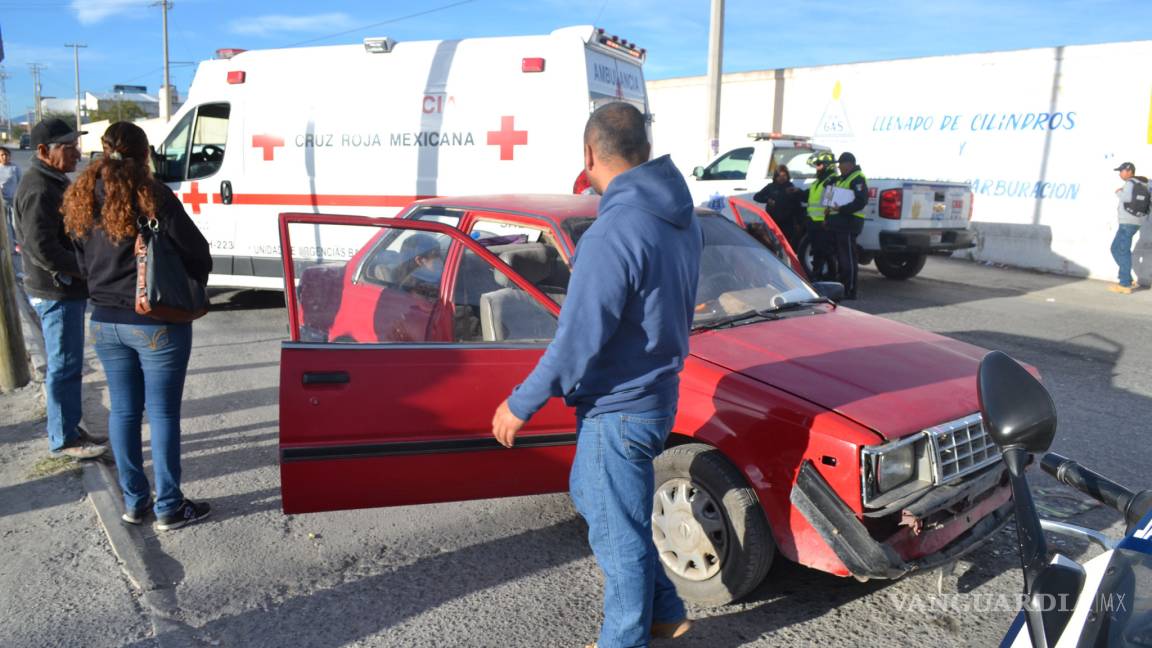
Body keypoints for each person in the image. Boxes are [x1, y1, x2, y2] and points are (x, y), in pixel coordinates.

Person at [491, 102, 702, 648]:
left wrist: (521, 402)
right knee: (594, 497)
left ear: (589, 154)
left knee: (617, 535)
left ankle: (624, 639)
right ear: (645, 150)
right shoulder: (677, 215)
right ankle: (665, 611)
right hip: (654, 395)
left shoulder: (613, 232)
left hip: (619, 407)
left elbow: (577, 339)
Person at [62, 121, 212, 531]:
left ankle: (133, 502)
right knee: (163, 414)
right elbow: (197, 251)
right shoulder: (154, 196)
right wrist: (194, 284)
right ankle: (169, 507)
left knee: (124, 412)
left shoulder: (80, 196)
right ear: (144, 155)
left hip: (105, 321)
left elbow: (79, 259)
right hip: (156, 321)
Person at [14, 118, 105, 459]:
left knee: (67, 364)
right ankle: (64, 438)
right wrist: (84, 268)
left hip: (63, 288)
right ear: (42, 151)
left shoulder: (52, 181)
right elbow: (42, 247)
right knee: (64, 365)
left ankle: (68, 427)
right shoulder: (39, 187)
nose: (76, 153)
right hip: (57, 290)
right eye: (68, 147)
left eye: (75, 145)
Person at [826, 151, 869, 299]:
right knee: (842, 257)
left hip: (849, 222)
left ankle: (850, 290)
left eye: (841, 164)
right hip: (839, 222)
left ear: (849, 164)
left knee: (848, 258)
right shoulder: (842, 178)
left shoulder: (857, 178)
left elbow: (861, 201)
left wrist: (842, 209)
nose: (839, 167)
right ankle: (842, 287)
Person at [1109, 162, 1145, 294]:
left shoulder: (1130, 183)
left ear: (1129, 171)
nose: (1120, 173)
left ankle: (1124, 284)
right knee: (1116, 249)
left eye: (1121, 171)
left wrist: (1119, 192)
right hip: (1137, 221)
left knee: (1122, 251)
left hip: (1127, 222)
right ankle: (1127, 278)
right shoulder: (1145, 183)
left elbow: (1126, 198)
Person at [801, 151, 838, 281]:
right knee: (818, 251)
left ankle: (825, 277)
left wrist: (827, 220)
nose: (817, 168)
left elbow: (830, 202)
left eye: (819, 164)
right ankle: (819, 277)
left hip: (823, 223)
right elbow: (809, 197)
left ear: (827, 165)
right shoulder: (818, 182)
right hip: (813, 222)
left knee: (824, 252)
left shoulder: (832, 180)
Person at [752, 164, 805, 250]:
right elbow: (757, 196)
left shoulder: (791, 187)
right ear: (775, 177)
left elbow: (797, 206)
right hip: (773, 221)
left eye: (784, 175)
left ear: (787, 176)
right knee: (772, 244)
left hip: (788, 222)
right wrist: (767, 200)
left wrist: (798, 223)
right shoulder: (771, 187)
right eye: (779, 176)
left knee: (787, 245)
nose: (782, 178)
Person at [1, 145, 22, 247]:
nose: (4, 157)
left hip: (13, 200)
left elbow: (20, 183)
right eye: (2, 155)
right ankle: (5, 246)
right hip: (1, 202)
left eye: (6, 155)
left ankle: (17, 245)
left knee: (15, 224)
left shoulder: (14, 167)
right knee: (4, 225)